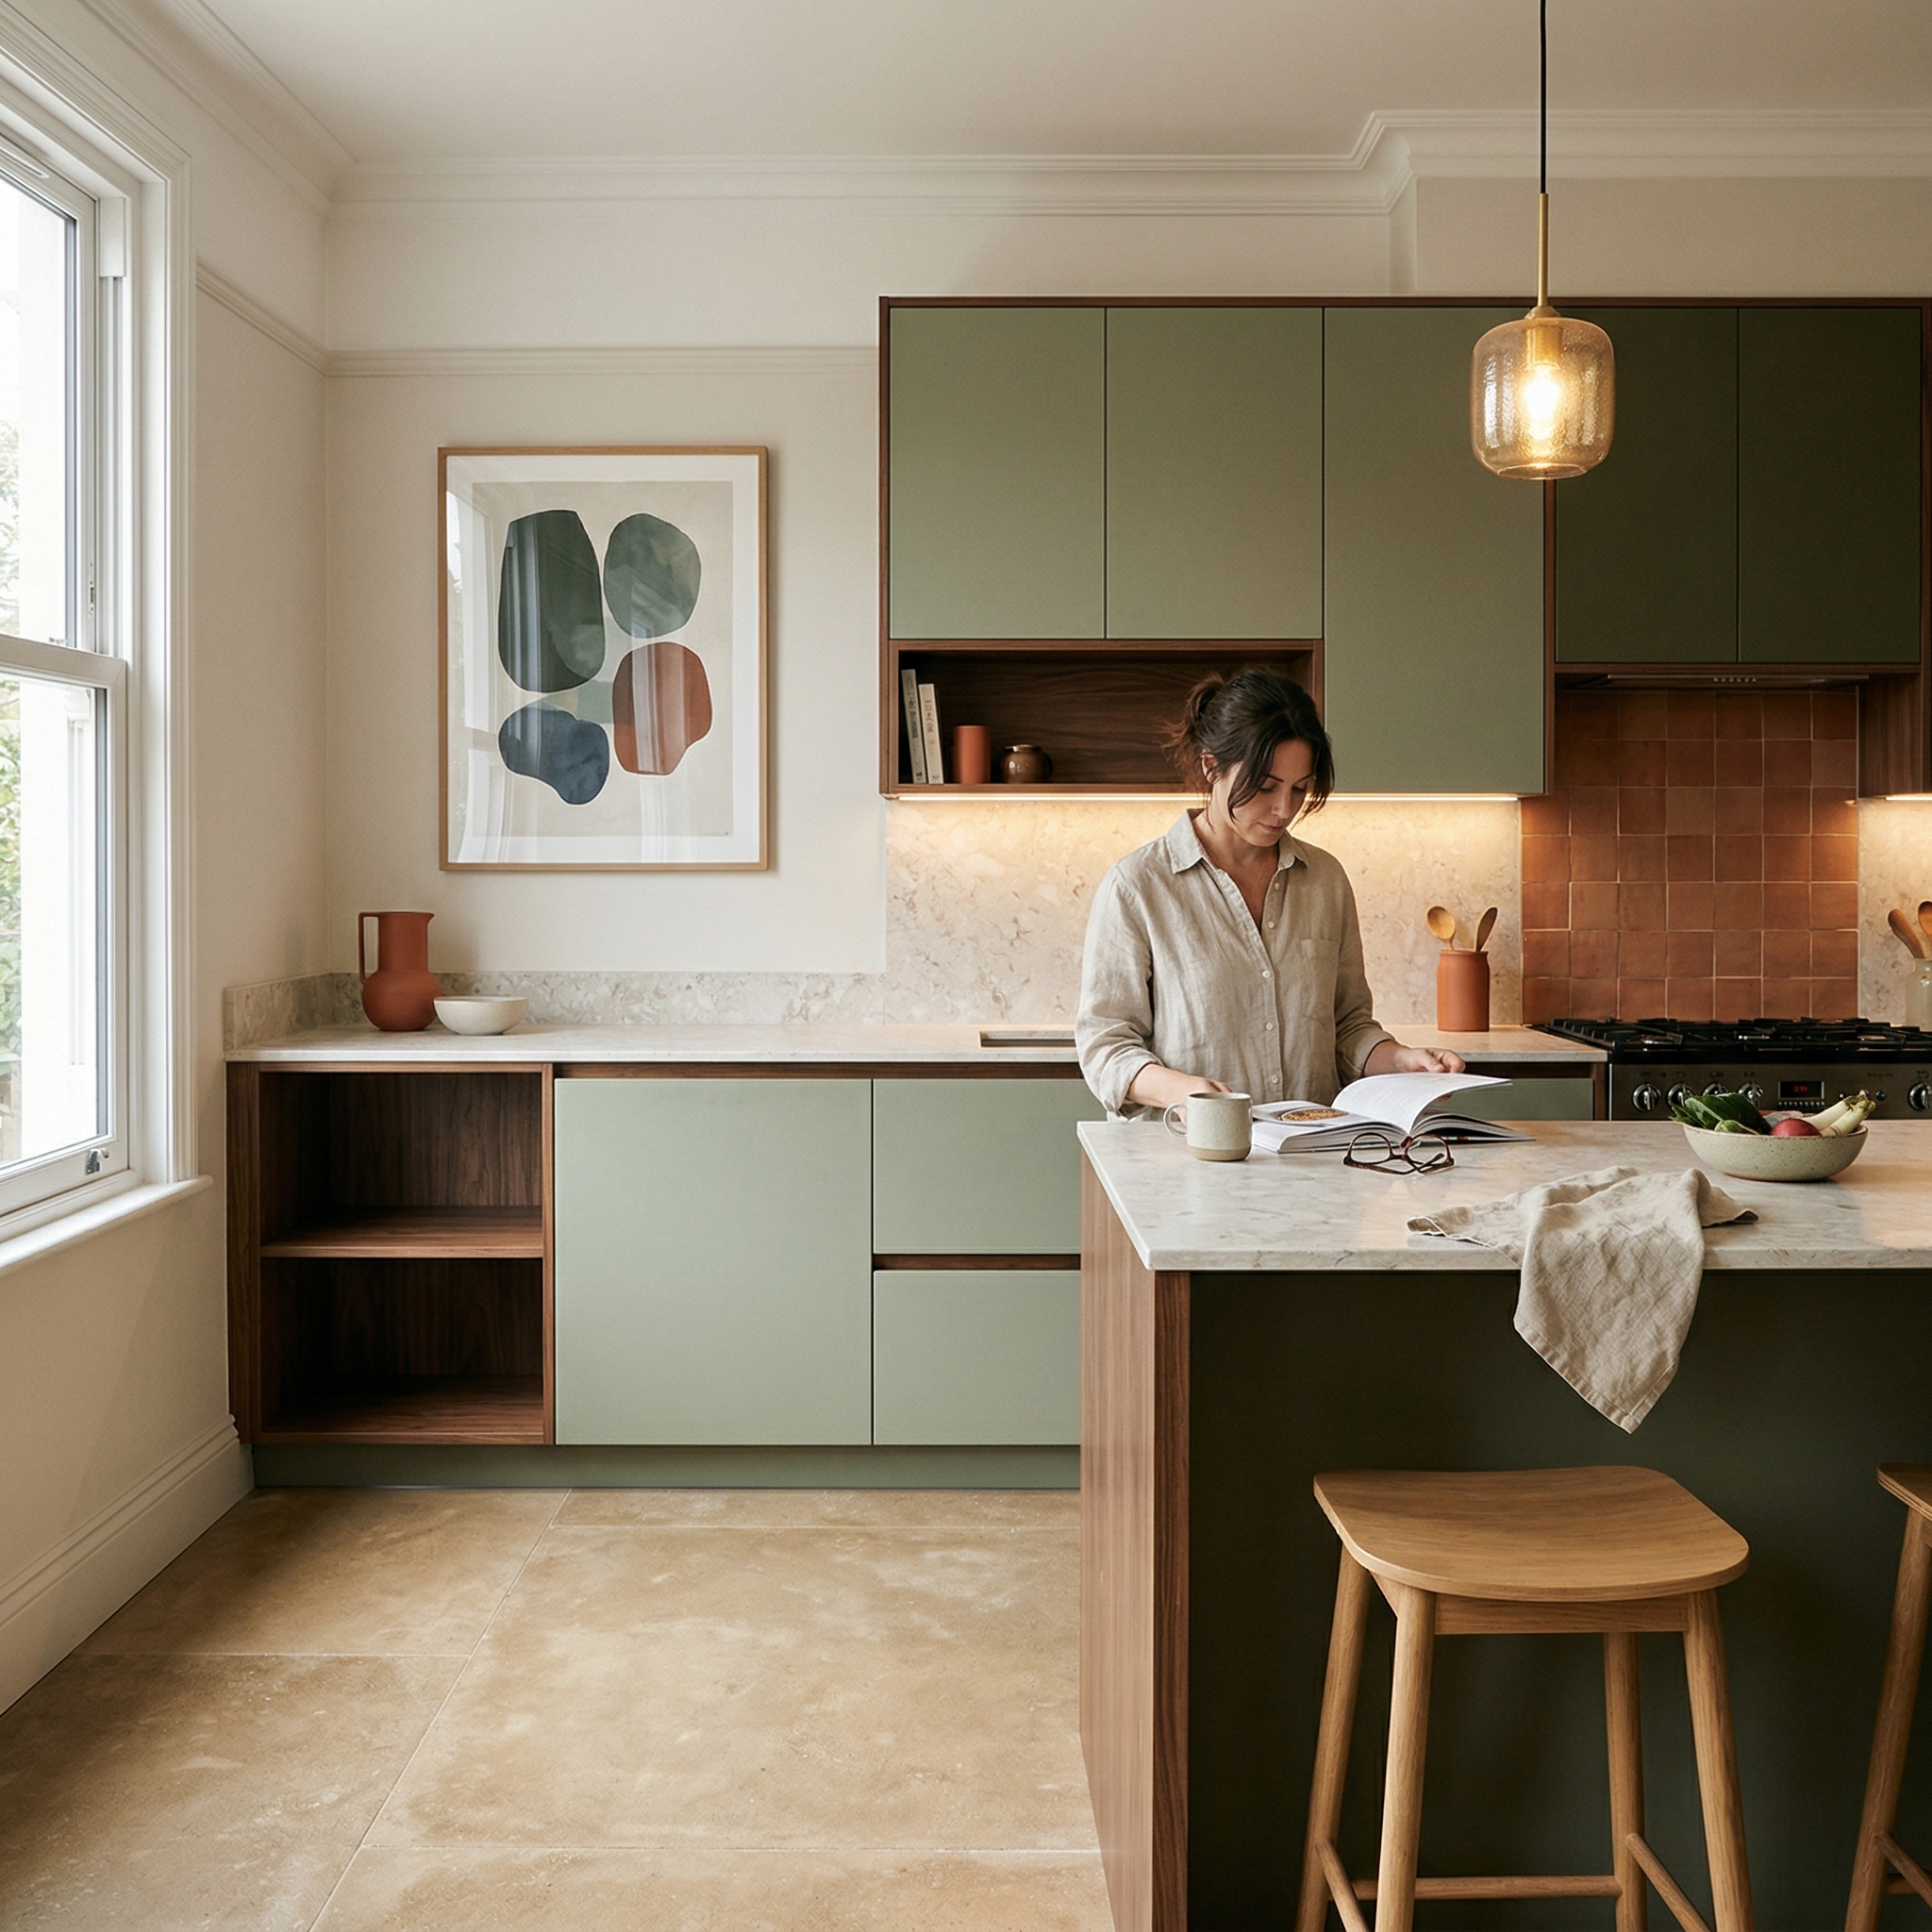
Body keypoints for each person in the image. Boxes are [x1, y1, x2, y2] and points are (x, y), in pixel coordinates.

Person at [1076, 667, 1464, 1117]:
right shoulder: (1138, 885)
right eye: (1264, 787)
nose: (1285, 809)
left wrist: (1401, 1060)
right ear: (1211, 766)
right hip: (1183, 1160)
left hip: (1312, 1154)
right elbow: (1106, 1046)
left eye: (1300, 789)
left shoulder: (1325, 879)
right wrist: (1183, 1093)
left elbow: (1347, 1026)